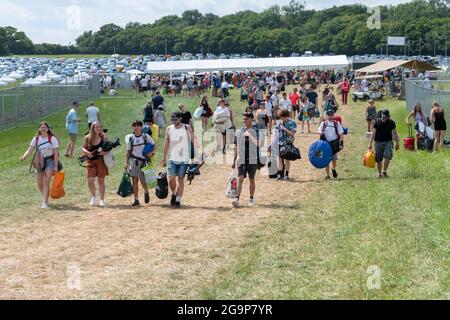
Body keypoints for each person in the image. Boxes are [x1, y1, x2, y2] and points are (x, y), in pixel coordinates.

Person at [20, 122, 60, 209]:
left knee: (46, 181)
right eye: (41, 127)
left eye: (45, 127)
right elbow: (30, 150)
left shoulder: (52, 139)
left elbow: (56, 153)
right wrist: (24, 157)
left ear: (48, 129)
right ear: (39, 129)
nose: (43, 128)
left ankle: (44, 202)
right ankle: (46, 196)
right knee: (39, 184)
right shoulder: (36, 139)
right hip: (40, 162)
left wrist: (56, 166)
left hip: (50, 161)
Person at [161, 112, 197, 209]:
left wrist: (198, 153)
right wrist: (164, 158)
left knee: (180, 180)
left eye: (176, 119)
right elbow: (166, 143)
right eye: (172, 119)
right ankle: (173, 193)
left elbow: (194, 140)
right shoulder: (169, 129)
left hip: (184, 160)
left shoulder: (187, 128)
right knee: (171, 179)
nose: (174, 121)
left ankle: (178, 200)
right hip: (172, 158)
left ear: (180, 118)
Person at [231, 112, 261, 208]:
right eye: (244, 119)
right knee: (240, 178)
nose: (244, 121)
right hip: (242, 158)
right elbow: (236, 146)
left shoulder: (256, 130)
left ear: (252, 119)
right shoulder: (239, 131)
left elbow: (259, 144)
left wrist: (250, 135)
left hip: (253, 159)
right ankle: (237, 198)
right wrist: (234, 160)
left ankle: (251, 198)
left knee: (251, 179)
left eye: (246, 119)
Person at [124, 120, 155, 207]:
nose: (136, 127)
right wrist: (126, 162)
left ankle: (146, 191)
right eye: (134, 126)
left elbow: (153, 145)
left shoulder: (146, 137)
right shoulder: (131, 139)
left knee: (143, 180)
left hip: (144, 161)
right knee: (134, 180)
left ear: (141, 127)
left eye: (138, 126)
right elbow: (128, 151)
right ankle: (136, 199)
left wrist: (152, 153)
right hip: (134, 161)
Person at [82, 122, 109, 208]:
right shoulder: (87, 137)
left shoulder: (104, 137)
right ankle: (93, 196)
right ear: (92, 128)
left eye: (99, 127)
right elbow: (83, 147)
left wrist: (103, 153)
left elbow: (109, 148)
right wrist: (87, 152)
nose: (98, 129)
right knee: (90, 180)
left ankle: (102, 200)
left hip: (101, 161)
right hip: (91, 161)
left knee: (101, 180)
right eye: (96, 127)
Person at [368, 109, 400, 178]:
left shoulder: (391, 123)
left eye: (385, 117)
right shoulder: (377, 123)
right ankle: (379, 173)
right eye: (382, 117)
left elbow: (395, 133)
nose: (383, 118)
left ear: (388, 117)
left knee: (387, 155)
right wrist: (369, 144)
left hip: (388, 141)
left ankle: (384, 171)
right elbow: (373, 134)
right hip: (378, 142)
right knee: (378, 158)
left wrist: (397, 143)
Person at [319, 109, 344, 180]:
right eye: (328, 114)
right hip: (325, 144)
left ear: (333, 115)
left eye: (331, 114)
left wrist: (341, 144)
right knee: (326, 160)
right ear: (326, 115)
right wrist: (321, 132)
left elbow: (341, 134)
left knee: (334, 160)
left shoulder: (337, 123)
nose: (330, 116)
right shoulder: (323, 124)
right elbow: (319, 131)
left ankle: (333, 169)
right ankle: (327, 175)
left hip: (334, 144)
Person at [272, 109, 297, 180]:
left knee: (286, 159)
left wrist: (284, 129)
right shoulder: (279, 123)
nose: (280, 118)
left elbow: (293, 133)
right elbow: (276, 134)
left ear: (285, 116)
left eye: (281, 117)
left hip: (288, 142)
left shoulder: (292, 123)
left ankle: (286, 174)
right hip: (280, 142)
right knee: (279, 158)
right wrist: (273, 143)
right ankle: (280, 174)